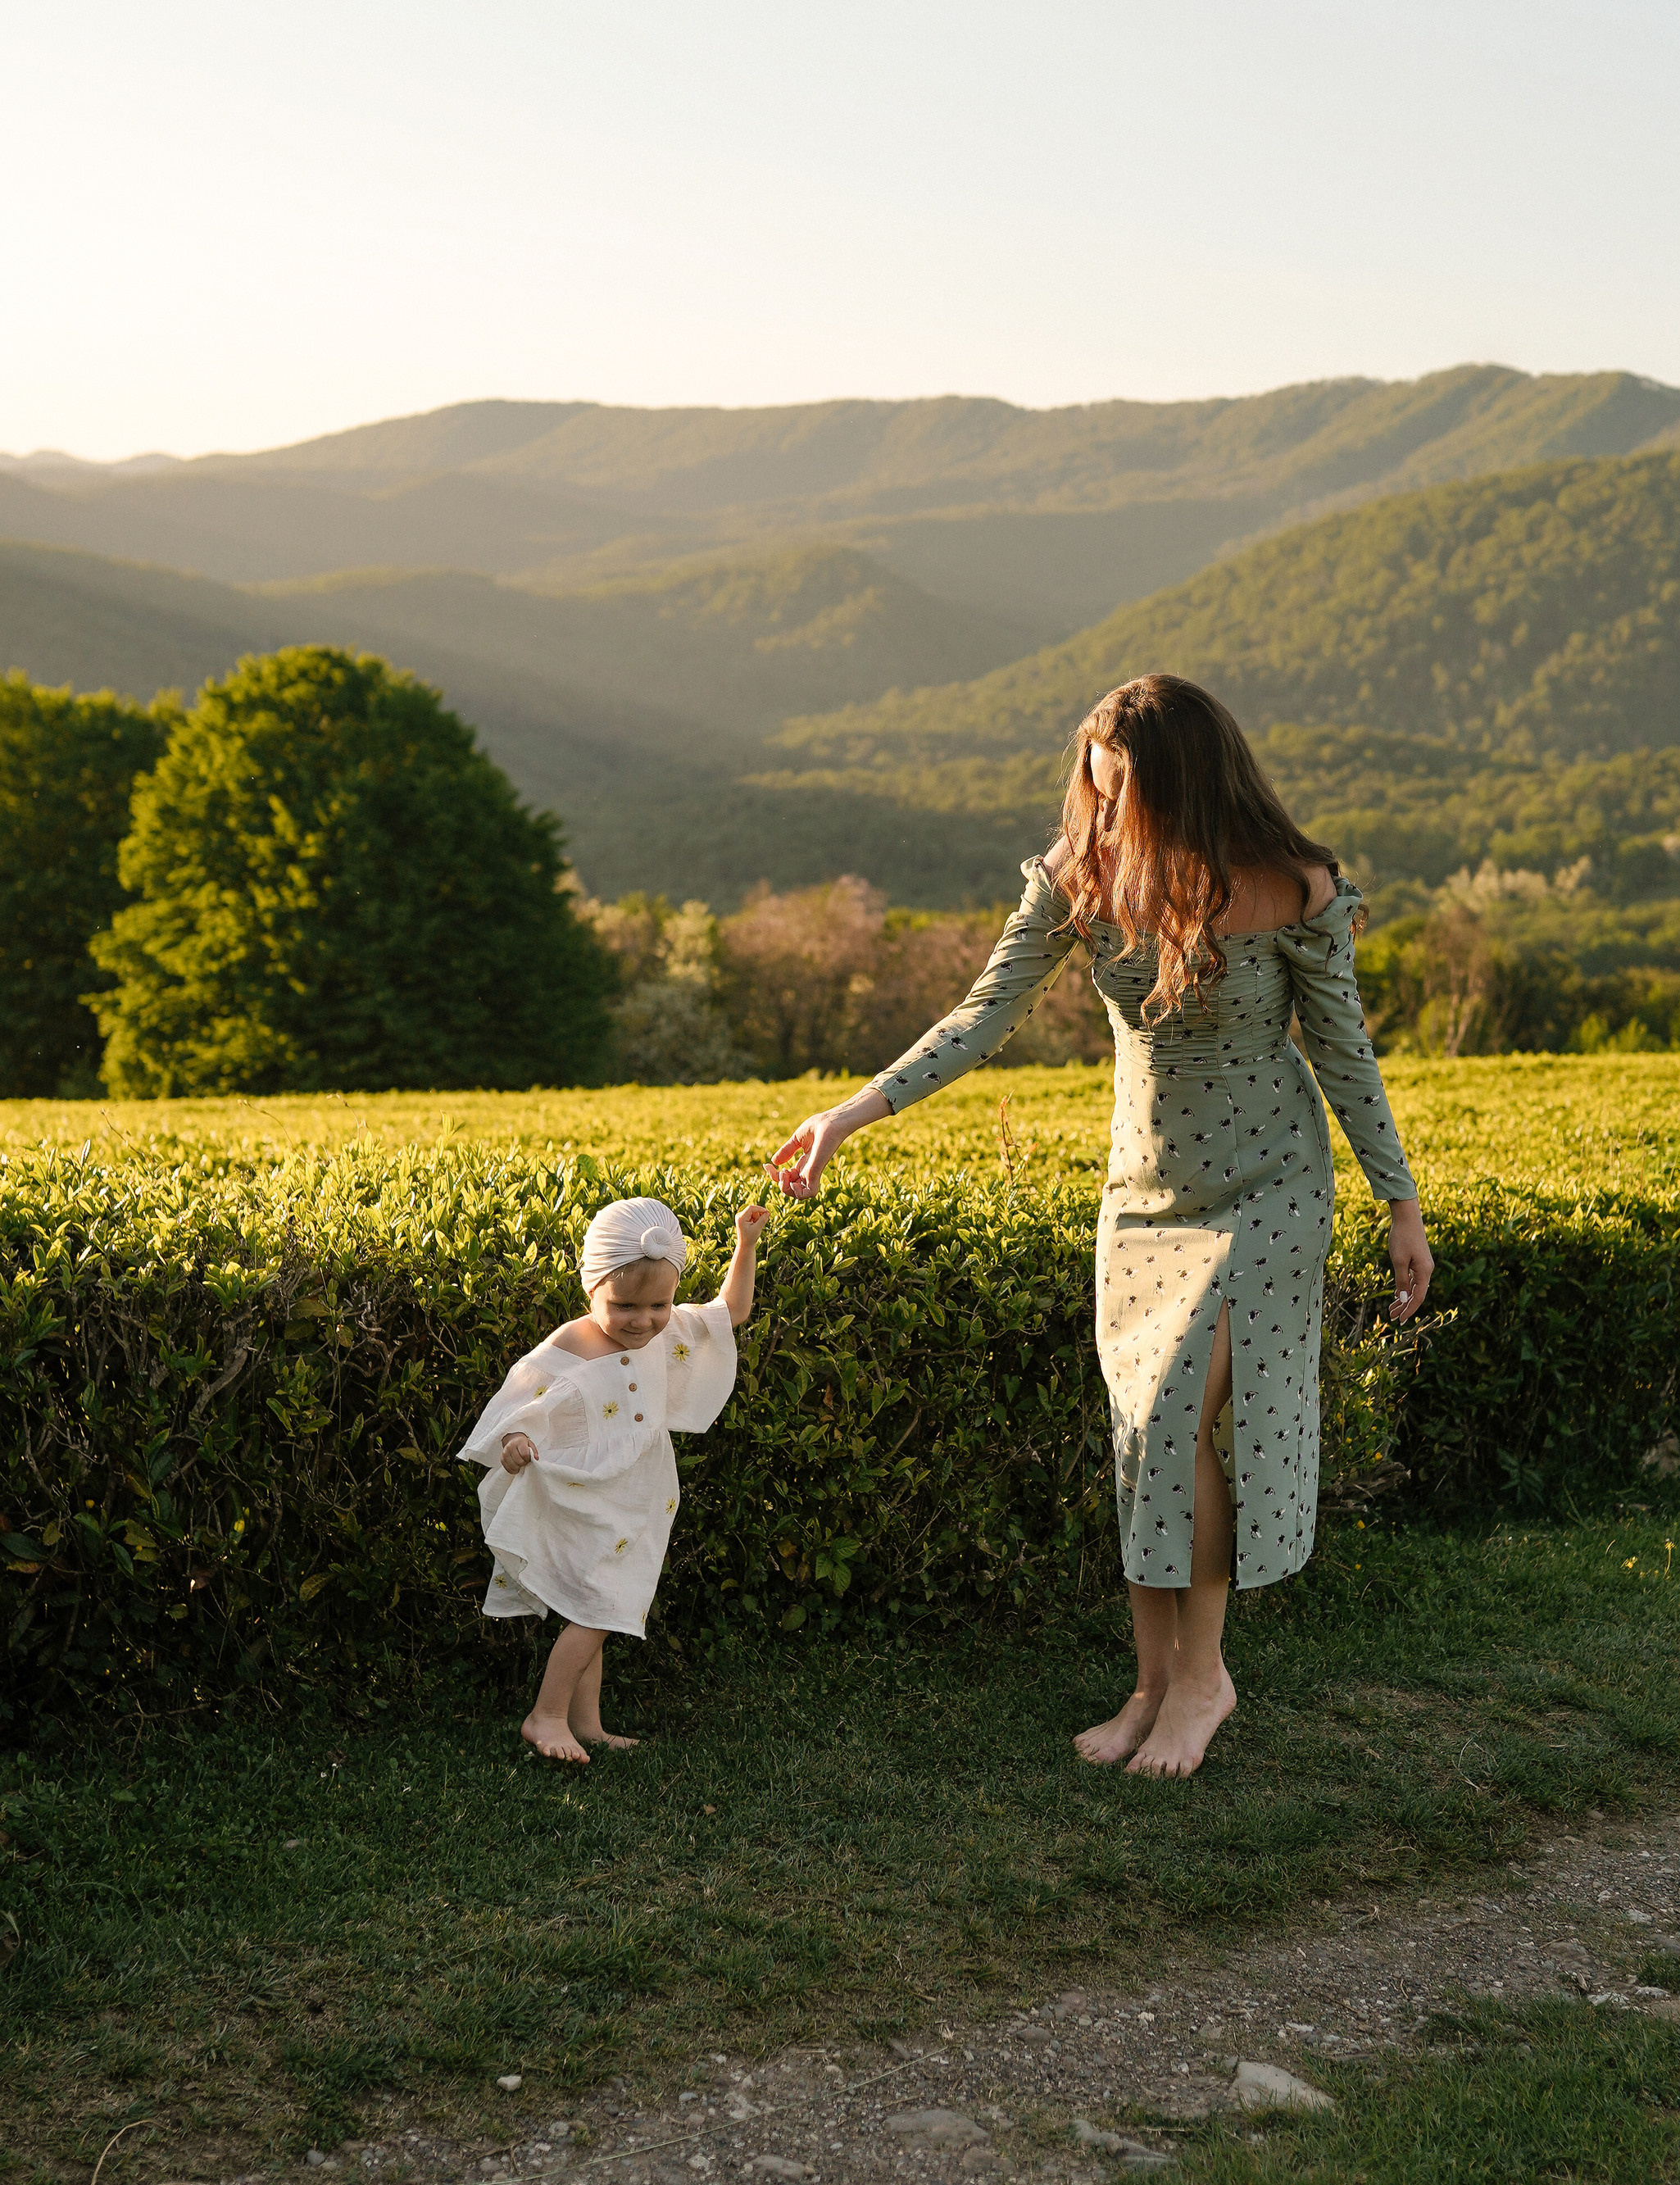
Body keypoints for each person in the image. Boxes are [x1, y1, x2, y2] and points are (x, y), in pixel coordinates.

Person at [770, 675, 1433, 1780]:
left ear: (1189, 783)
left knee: (1185, 1412)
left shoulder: (1294, 886)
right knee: (1141, 1439)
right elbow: (980, 1013)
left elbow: (1343, 1052)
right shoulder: (1081, 881)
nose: (1107, 813)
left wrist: (1397, 1204)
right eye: (1096, 789)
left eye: (1127, 791)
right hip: (1144, 1197)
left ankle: (1204, 1679)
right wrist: (847, 1115)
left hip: (1270, 1185)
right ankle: (1149, 1683)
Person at [461, 1192, 769, 1765]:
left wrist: (745, 1246)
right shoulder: (569, 1344)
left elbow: (731, 1313)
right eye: (626, 1305)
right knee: (599, 1606)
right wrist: (514, 1442)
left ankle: (587, 1724)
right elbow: (516, 1402)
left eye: (659, 1304)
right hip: (577, 1493)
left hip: (636, 1494)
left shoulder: (665, 1327)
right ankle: (544, 1716)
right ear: (592, 1289)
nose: (644, 1320)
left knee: (595, 1603)